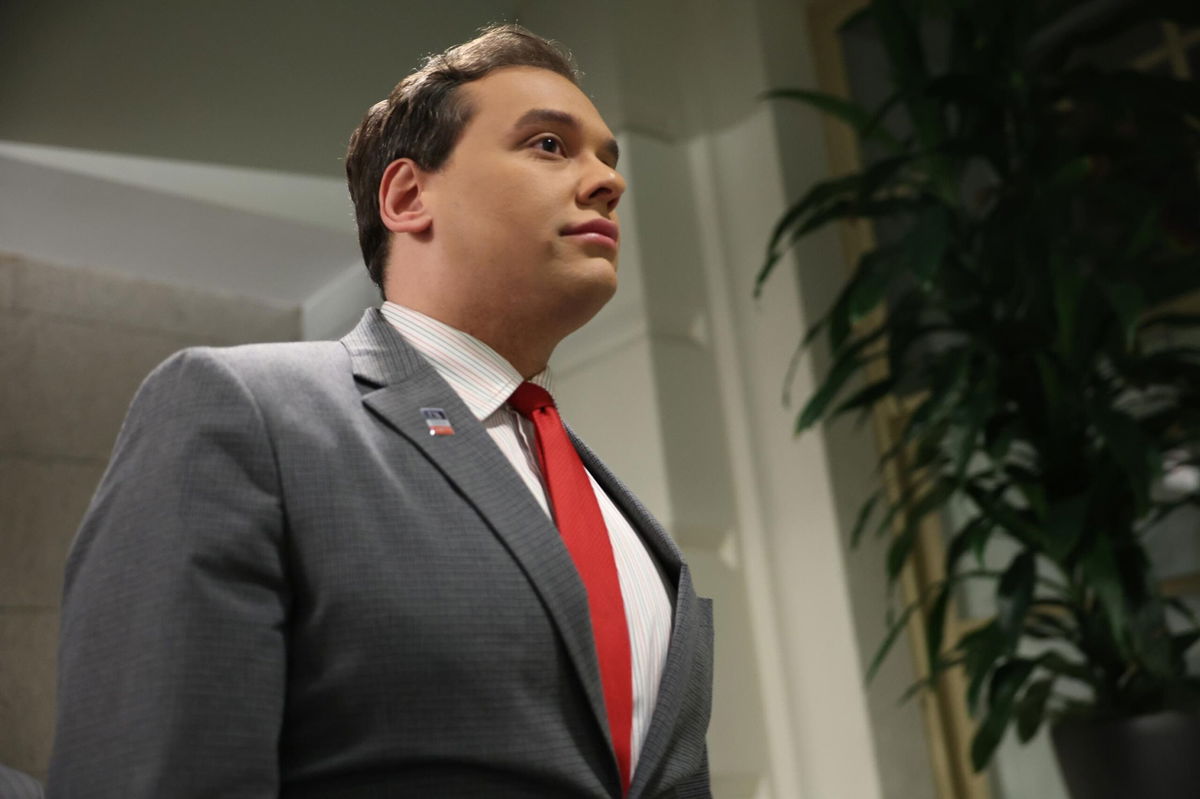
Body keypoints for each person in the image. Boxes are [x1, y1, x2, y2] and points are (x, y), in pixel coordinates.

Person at [47, 24, 713, 799]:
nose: (607, 180)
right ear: (407, 196)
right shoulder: (246, 415)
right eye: (548, 145)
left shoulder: (632, 527)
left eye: (607, 156)